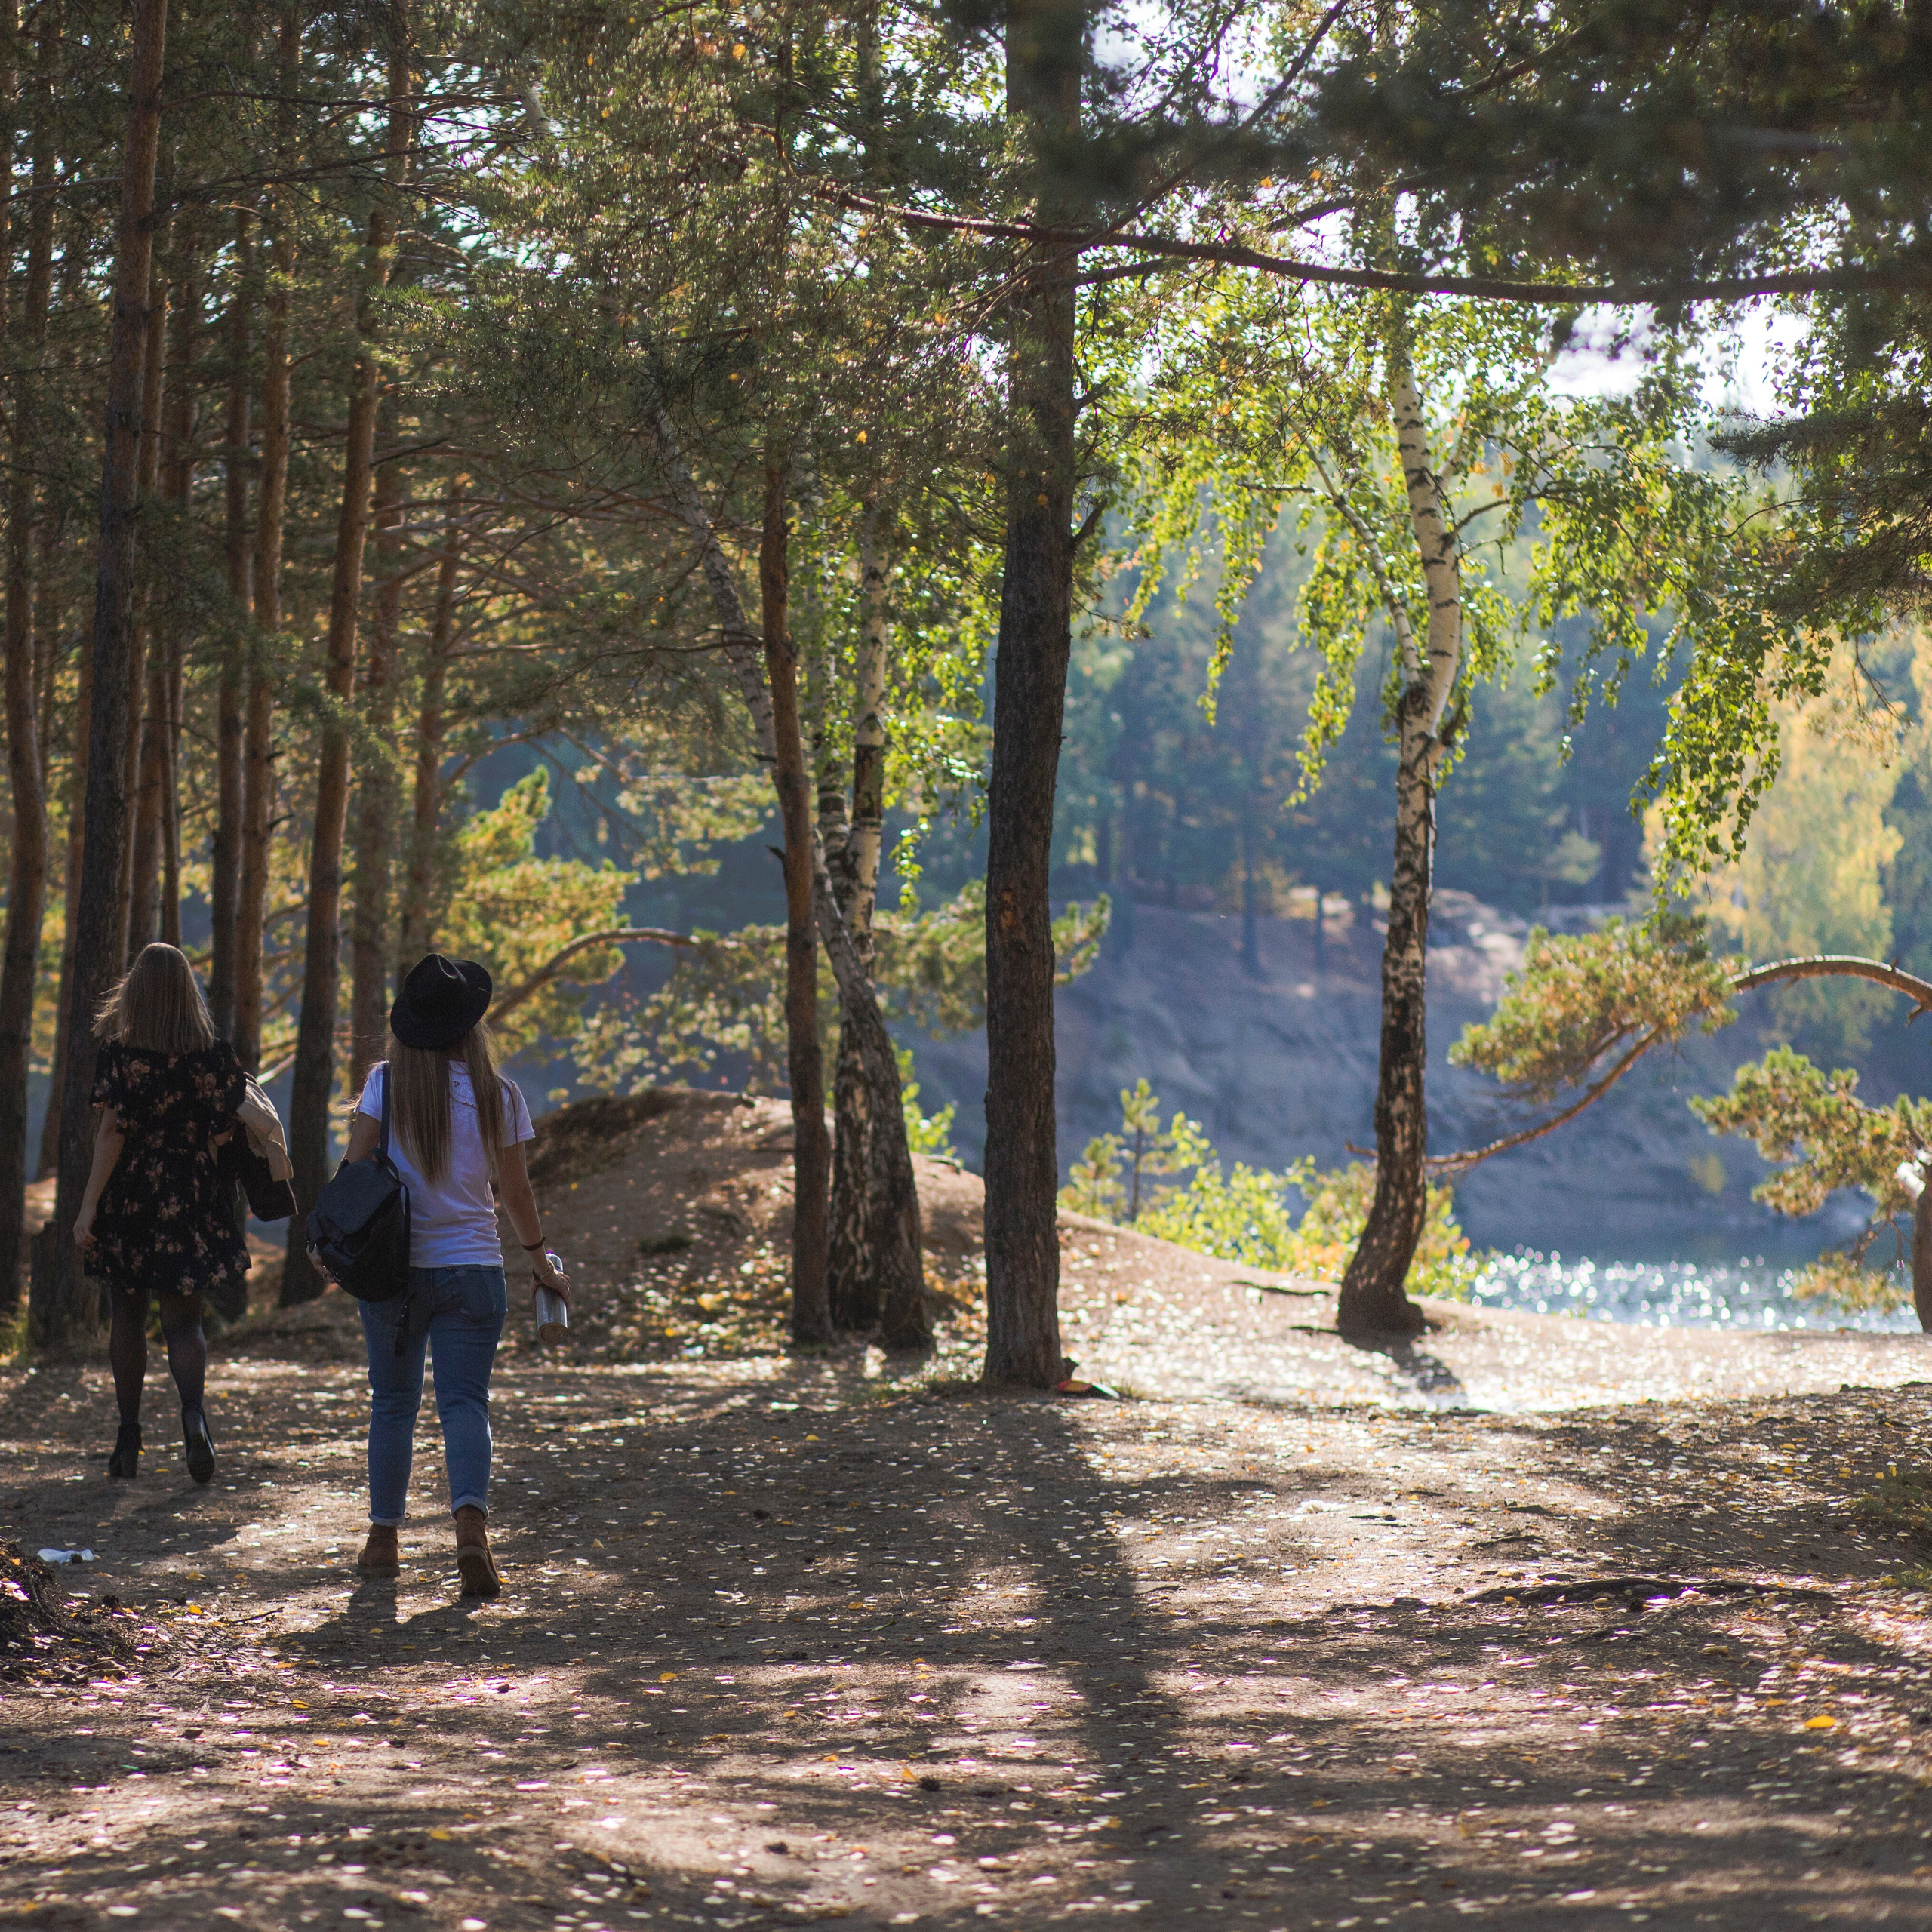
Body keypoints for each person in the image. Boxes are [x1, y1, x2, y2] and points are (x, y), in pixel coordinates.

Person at [343, 952, 568, 1599]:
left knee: (392, 1404)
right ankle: (471, 1531)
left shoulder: (385, 1085)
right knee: (465, 1405)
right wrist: (541, 1260)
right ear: (471, 1026)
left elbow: (355, 1172)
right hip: (474, 1268)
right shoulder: (501, 1094)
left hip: (394, 1273)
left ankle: (383, 1541)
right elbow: (517, 1192)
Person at [73, 943, 250, 1484]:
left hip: (131, 1196)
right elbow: (224, 1133)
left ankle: (129, 1439)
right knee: (184, 1322)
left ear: (137, 993)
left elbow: (110, 1136)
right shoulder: (214, 1056)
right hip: (190, 1195)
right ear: (186, 992)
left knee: (127, 1318)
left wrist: (87, 1209)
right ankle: (193, 1415)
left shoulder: (122, 1055)